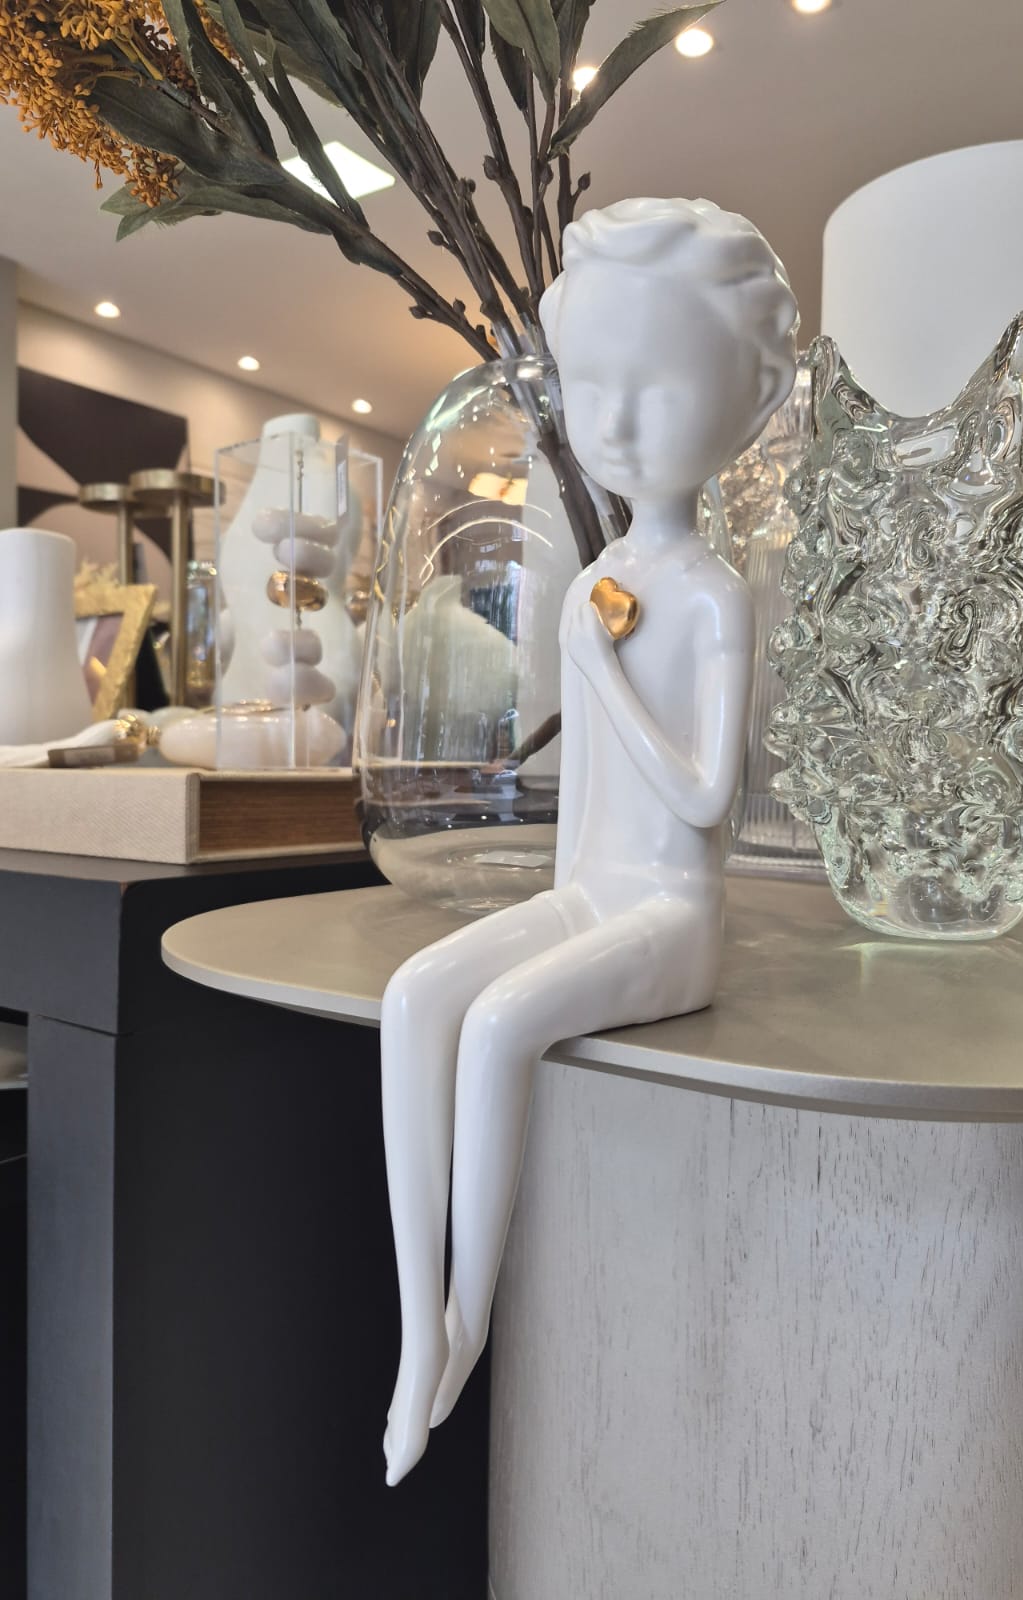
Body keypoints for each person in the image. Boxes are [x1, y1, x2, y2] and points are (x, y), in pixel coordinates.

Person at [380, 196, 799, 1484]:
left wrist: (602, 674)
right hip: (590, 888)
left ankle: (473, 1319)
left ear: (742, 405)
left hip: (669, 915)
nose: (614, 423)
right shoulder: (603, 580)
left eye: (656, 391)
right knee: (417, 994)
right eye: (594, 388)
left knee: (502, 1024)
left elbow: (705, 801)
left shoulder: (711, 598)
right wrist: (554, 899)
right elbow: (582, 812)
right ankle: (419, 1328)